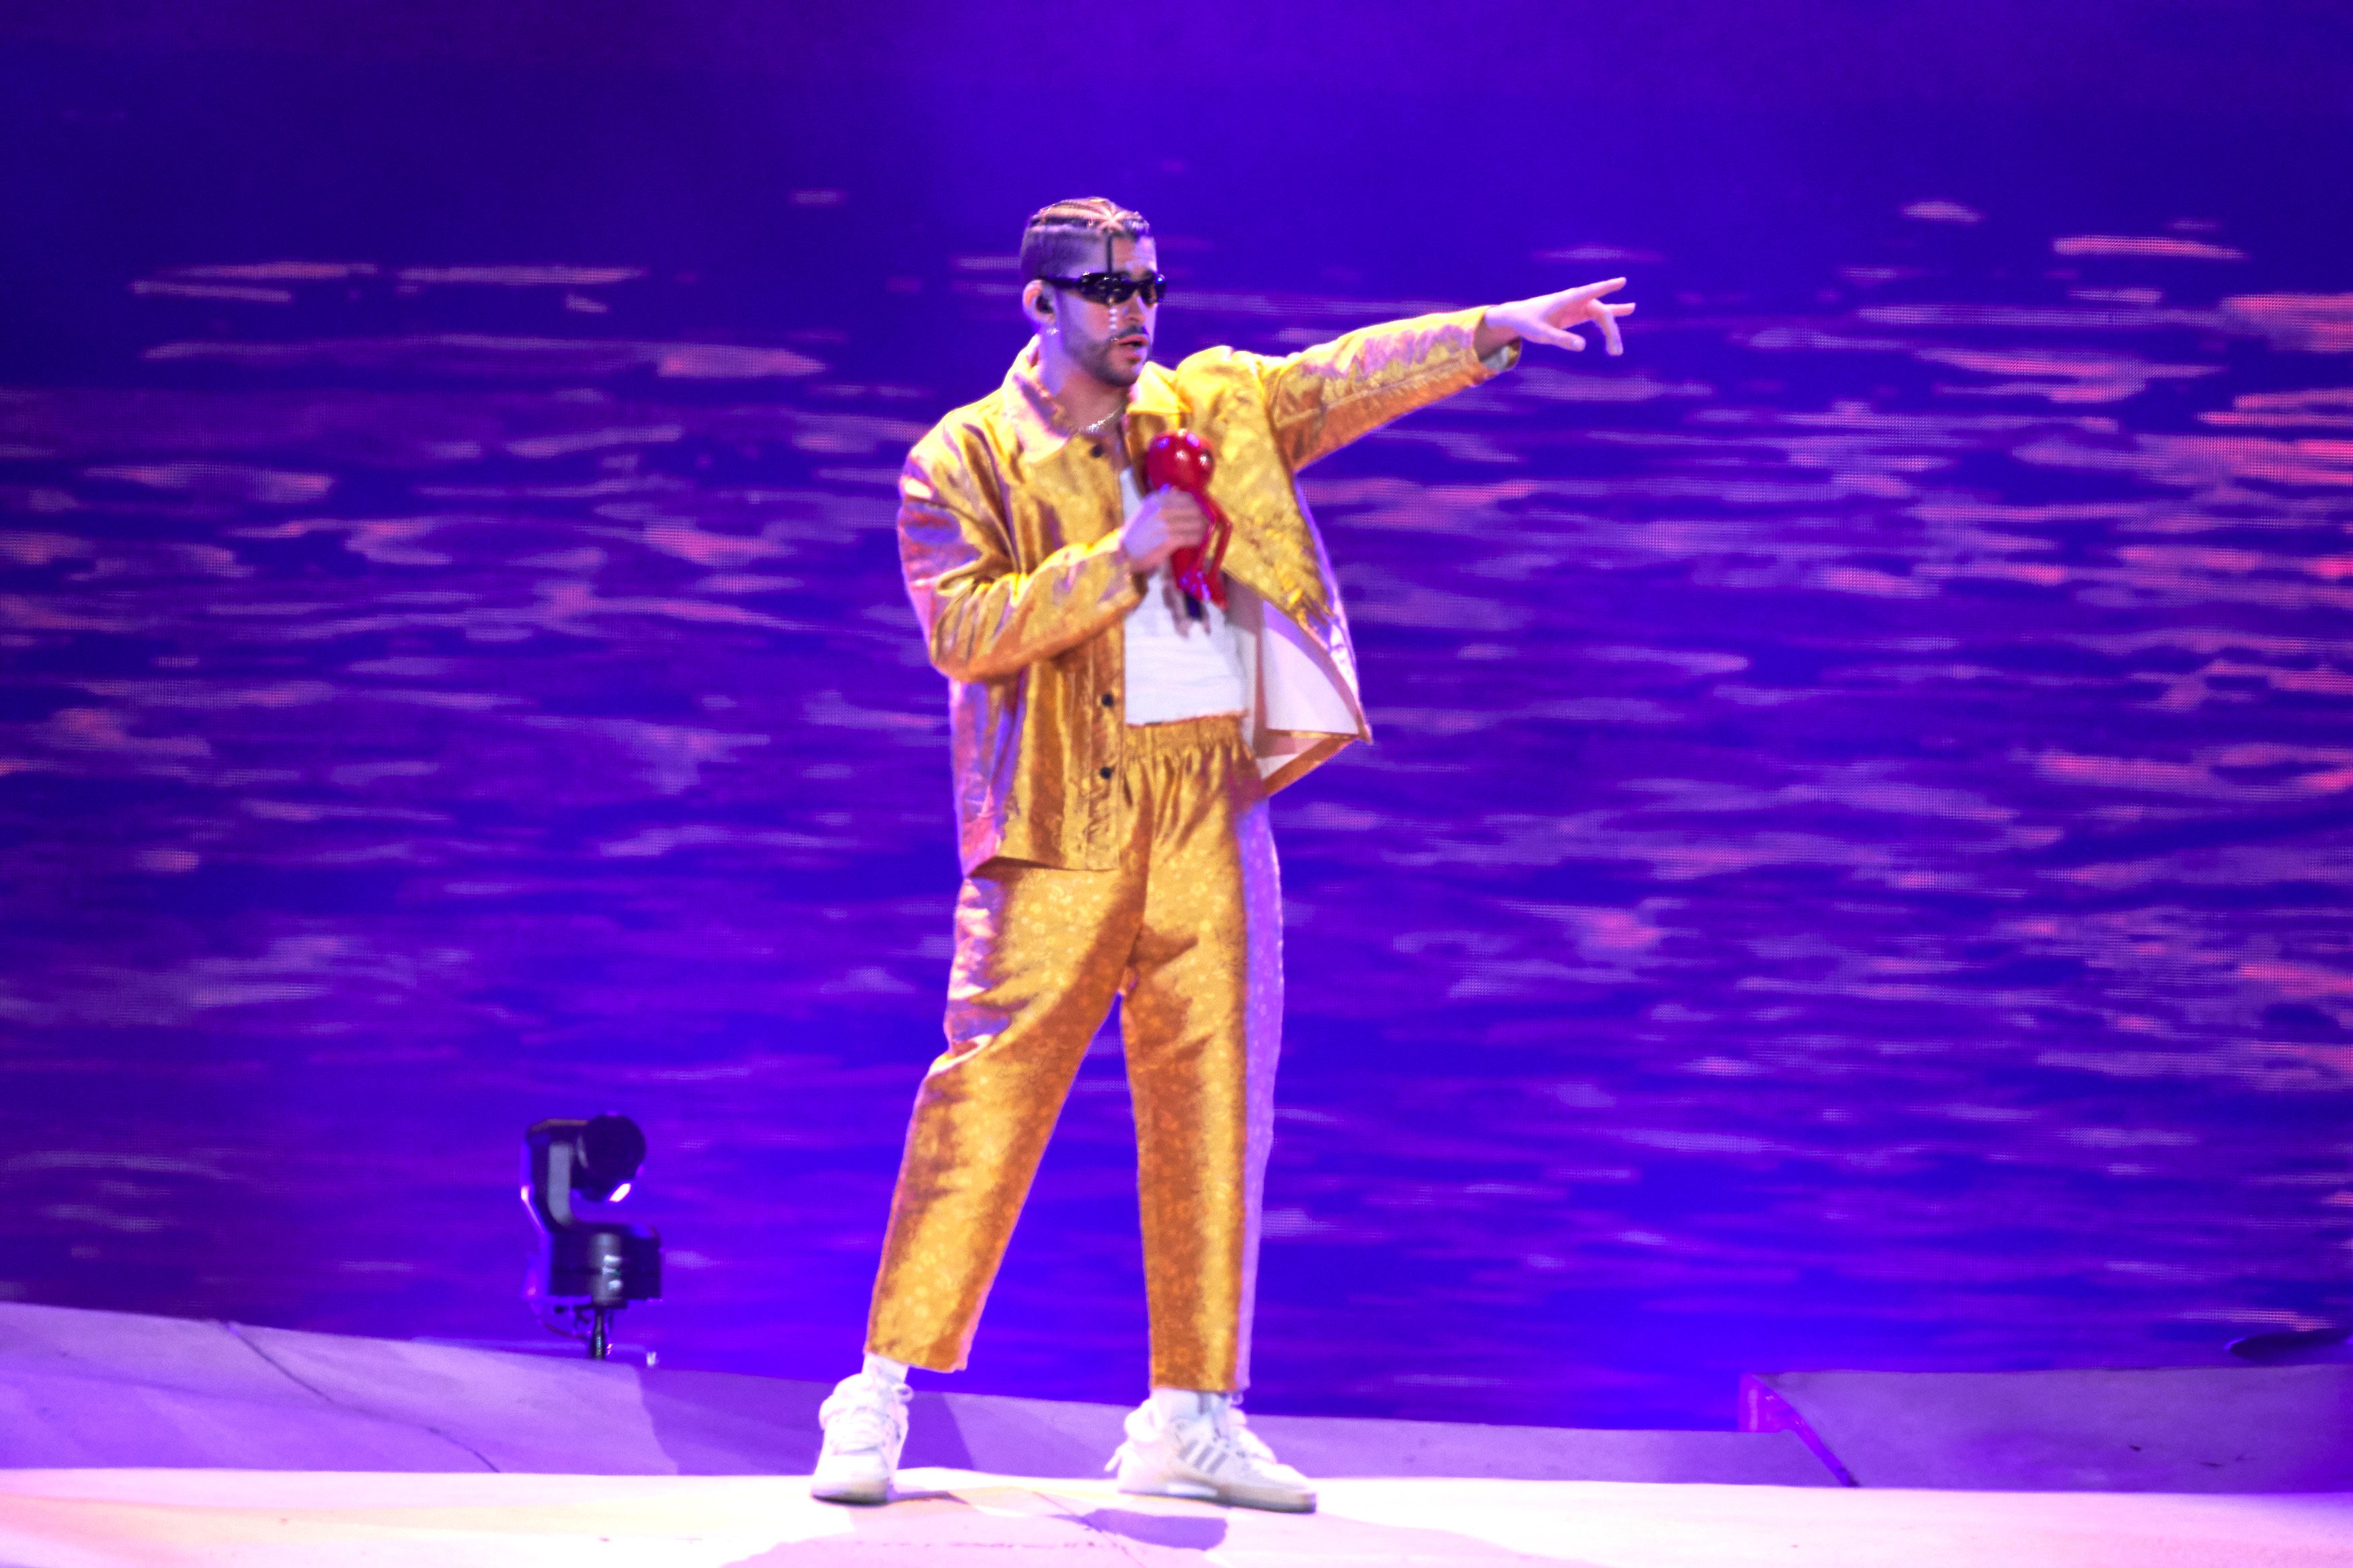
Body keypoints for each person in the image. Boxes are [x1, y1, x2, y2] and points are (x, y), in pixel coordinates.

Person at [811, 197, 1634, 1512]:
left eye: (1148, 287)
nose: (1135, 312)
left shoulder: (1210, 406)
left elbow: (1339, 379)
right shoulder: (963, 455)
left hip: (1206, 802)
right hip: (1061, 823)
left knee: (1215, 1106)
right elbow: (963, 632)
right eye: (1108, 292)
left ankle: (1190, 1411)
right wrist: (1118, 558)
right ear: (1040, 303)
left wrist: (1489, 329)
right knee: (987, 1095)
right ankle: (880, 1384)